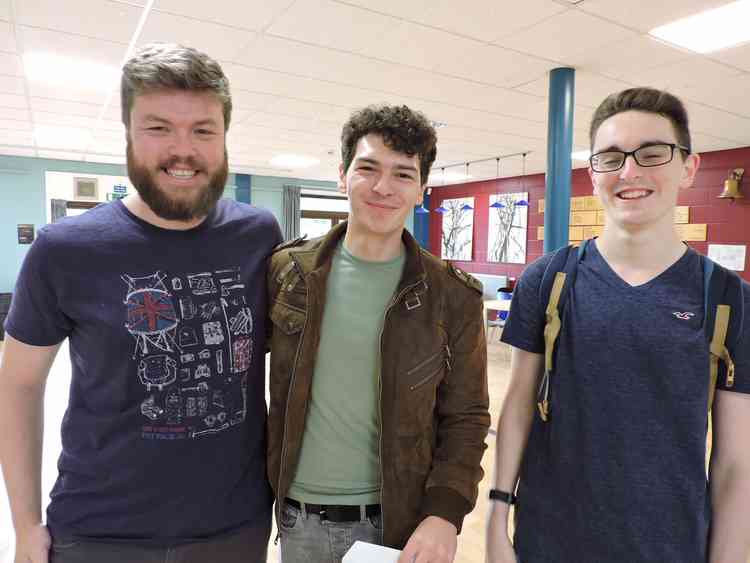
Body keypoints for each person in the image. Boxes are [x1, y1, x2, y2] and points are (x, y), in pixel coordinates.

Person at [0, 43, 281, 563]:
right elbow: (17, 384)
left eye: (203, 130)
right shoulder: (64, 249)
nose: (183, 150)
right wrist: (24, 524)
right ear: (128, 132)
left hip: (234, 527)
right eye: (158, 128)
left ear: (223, 138)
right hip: (98, 530)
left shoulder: (259, 235)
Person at [486, 87, 750, 563]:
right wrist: (496, 520)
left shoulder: (728, 299)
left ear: (688, 168)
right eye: (611, 158)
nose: (629, 172)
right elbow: (519, 404)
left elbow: (734, 464)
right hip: (548, 541)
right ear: (592, 174)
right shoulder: (548, 280)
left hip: (670, 545)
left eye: (651, 154)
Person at [266, 104, 490, 563]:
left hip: (395, 524)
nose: (384, 187)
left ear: (422, 189)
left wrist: (444, 515)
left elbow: (467, 417)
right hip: (294, 519)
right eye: (368, 168)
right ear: (342, 176)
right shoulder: (288, 272)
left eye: (403, 175)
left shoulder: (452, 295)